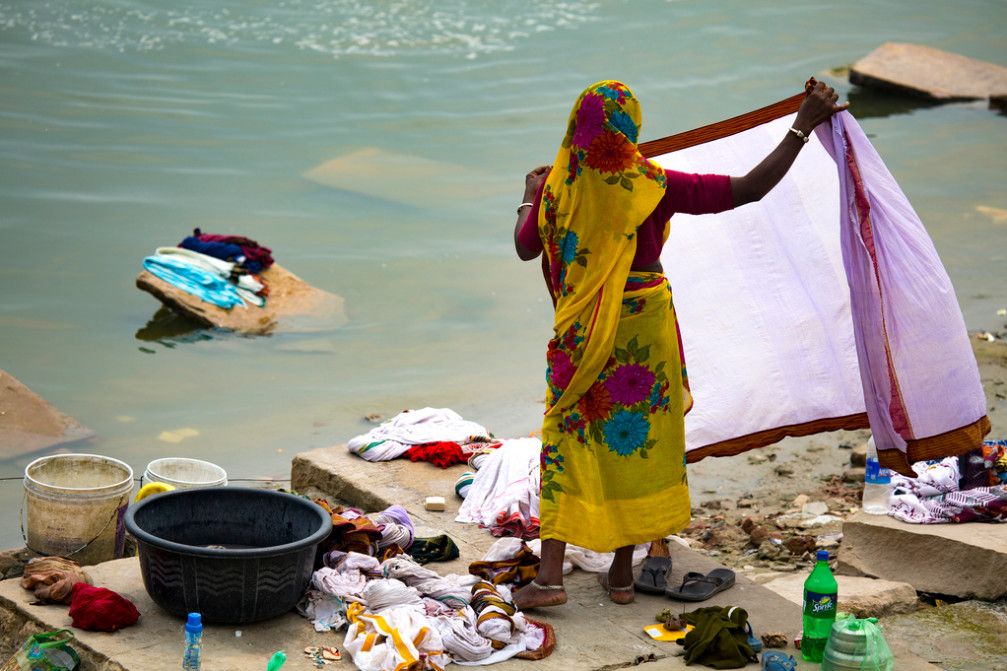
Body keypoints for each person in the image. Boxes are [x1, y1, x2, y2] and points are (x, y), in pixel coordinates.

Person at [512, 79, 847, 608]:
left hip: (582, 332)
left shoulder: (559, 188)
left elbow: (527, 247)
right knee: (634, 442)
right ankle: (622, 577)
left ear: (578, 127)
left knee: (567, 439)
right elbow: (747, 189)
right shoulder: (652, 183)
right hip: (645, 324)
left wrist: (528, 197)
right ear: (630, 130)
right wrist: (802, 124)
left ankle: (550, 579)